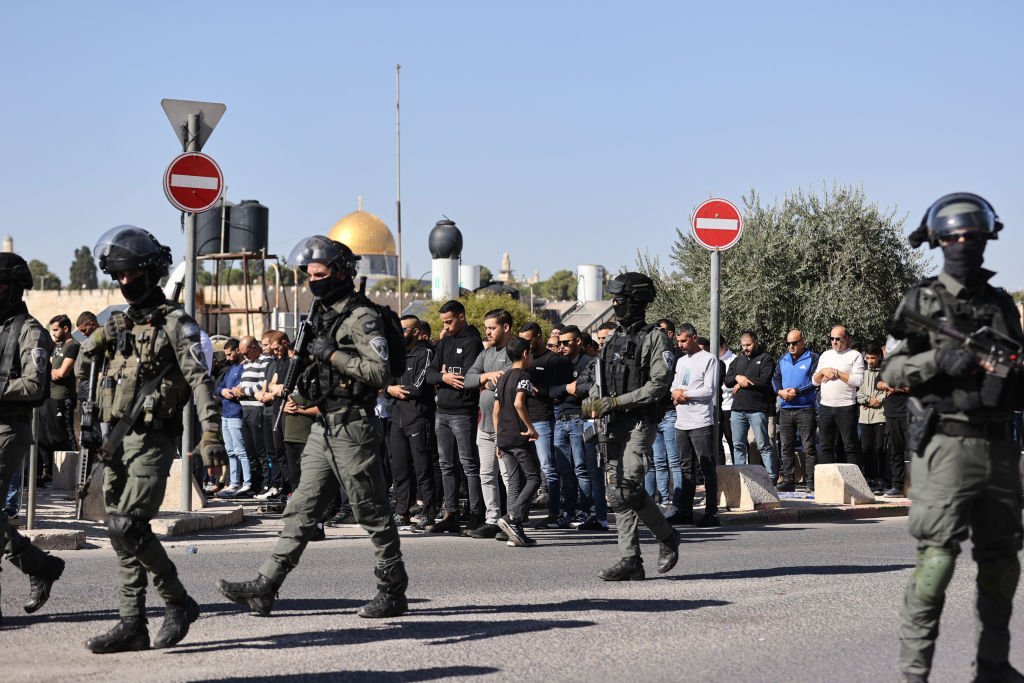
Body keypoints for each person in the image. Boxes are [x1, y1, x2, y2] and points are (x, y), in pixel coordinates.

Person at [219, 235, 408, 619]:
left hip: (353, 426)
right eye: (308, 274)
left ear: (340, 272)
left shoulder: (361, 317)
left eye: (319, 274)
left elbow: (380, 372)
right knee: (301, 507)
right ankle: (266, 585)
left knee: (370, 509)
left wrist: (332, 354)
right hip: (324, 424)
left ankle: (393, 589)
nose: (312, 280)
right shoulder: (323, 314)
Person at [881, 193, 1024, 683]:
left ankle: (994, 667)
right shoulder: (923, 301)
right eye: (955, 237)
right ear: (940, 241)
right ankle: (914, 674)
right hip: (945, 445)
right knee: (938, 560)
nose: (965, 244)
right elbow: (892, 368)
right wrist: (936, 362)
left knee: (1003, 564)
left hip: (1001, 446)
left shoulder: (1002, 303)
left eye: (973, 237)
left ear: (986, 239)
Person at [80, 226, 225, 652]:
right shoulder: (119, 323)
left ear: (150, 273)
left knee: (130, 523)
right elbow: (83, 365)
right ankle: (132, 623)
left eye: (130, 275)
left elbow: (200, 380)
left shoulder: (177, 323)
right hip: (115, 439)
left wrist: (211, 434)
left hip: (153, 438)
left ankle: (178, 602)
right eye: (118, 277)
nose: (125, 284)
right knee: (117, 528)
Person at [582, 272, 679, 581]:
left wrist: (616, 403)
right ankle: (630, 560)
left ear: (636, 303)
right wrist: (595, 402)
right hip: (611, 423)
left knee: (629, 488)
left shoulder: (655, 337)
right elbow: (600, 379)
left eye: (621, 301)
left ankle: (667, 537)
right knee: (615, 493)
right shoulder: (613, 338)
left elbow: (658, 386)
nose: (616, 305)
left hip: (638, 421)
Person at [0, 253, 64, 626]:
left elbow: (35, 384)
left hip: (8, 429)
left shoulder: (31, 331)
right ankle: (40, 566)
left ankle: (40, 566)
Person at [424, 299, 484, 534]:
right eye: (444, 323)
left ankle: (476, 512)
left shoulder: (473, 342)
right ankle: (450, 513)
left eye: (449, 321)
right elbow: (429, 374)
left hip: (463, 412)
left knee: (469, 465)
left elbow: (468, 378)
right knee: (446, 465)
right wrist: (444, 377)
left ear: (461, 316)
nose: (446, 327)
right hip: (443, 412)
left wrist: (448, 376)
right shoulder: (446, 342)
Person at [462, 309, 513, 539]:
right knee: (486, 474)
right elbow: (469, 379)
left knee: (507, 475)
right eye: (486, 328)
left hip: (505, 426)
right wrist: (486, 377)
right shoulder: (486, 353)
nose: (488, 332)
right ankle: (492, 520)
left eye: (492, 327)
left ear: (506, 327)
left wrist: (489, 383)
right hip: (484, 426)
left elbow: (509, 381)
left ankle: (512, 520)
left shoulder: (514, 351)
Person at [386, 315, 438, 531]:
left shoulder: (425, 353)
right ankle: (402, 511)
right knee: (399, 467)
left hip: (418, 417)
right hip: (396, 417)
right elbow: (385, 381)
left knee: (422, 467)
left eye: (404, 330)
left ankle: (428, 511)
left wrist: (394, 390)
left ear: (415, 332)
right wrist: (390, 389)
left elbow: (418, 387)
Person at [493, 335, 542, 547]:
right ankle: (512, 517)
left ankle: (513, 532)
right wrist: (530, 428)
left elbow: (495, 410)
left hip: (504, 437)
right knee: (534, 478)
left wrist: (497, 439)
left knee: (514, 482)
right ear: (525, 354)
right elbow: (518, 402)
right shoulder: (523, 375)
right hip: (518, 437)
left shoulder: (503, 377)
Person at [671, 323, 719, 526]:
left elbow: (709, 390)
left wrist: (686, 394)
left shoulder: (709, 359)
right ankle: (685, 511)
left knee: (706, 467)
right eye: (678, 341)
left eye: (683, 340)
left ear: (694, 338)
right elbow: (674, 385)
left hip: (700, 421)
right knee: (685, 468)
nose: (680, 344)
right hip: (682, 421)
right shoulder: (681, 361)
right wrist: (675, 393)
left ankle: (711, 513)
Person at [812, 325, 865, 484]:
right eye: (832, 339)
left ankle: (853, 483)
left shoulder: (855, 356)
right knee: (826, 445)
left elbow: (858, 381)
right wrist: (823, 371)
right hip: (826, 406)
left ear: (847, 339)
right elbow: (814, 381)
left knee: (849, 446)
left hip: (846, 406)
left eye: (838, 339)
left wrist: (836, 372)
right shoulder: (825, 355)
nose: (835, 342)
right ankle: (830, 482)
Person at [724, 330, 777, 480]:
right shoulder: (737, 361)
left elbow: (764, 381)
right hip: (737, 410)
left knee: (763, 445)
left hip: (757, 409)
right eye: (743, 345)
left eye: (748, 345)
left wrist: (742, 382)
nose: (745, 348)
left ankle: (771, 477)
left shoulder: (765, 359)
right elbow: (728, 381)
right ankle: (741, 477)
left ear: (756, 342)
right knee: (738, 445)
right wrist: (737, 377)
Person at [772, 329, 819, 491]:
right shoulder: (783, 359)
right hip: (785, 409)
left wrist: (797, 391)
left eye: (794, 343)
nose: (791, 346)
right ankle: (788, 480)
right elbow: (775, 379)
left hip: (805, 408)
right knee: (786, 447)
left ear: (802, 342)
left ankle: (811, 482)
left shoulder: (813, 358)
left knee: (809, 447)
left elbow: (814, 380)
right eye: (788, 343)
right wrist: (780, 391)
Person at [216, 338, 251, 497]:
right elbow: (220, 387)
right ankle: (234, 483)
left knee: (240, 450)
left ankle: (247, 483)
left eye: (230, 354)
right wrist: (222, 392)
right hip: (226, 414)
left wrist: (234, 392)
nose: (228, 358)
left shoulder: (244, 368)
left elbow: (242, 388)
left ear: (238, 350)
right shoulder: (231, 369)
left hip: (236, 414)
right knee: (230, 451)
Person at [857, 344, 888, 492]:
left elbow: (886, 392)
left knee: (880, 448)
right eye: (867, 358)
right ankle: (869, 477)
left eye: (873, 358)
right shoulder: (863, 374)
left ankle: (881, 478)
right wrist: (869, 400)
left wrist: (878, 400)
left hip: (880, 416)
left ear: (879, 357)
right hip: (865, 418)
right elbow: (859, 395)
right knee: (866, 448)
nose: (870, 361)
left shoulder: (885, 372)